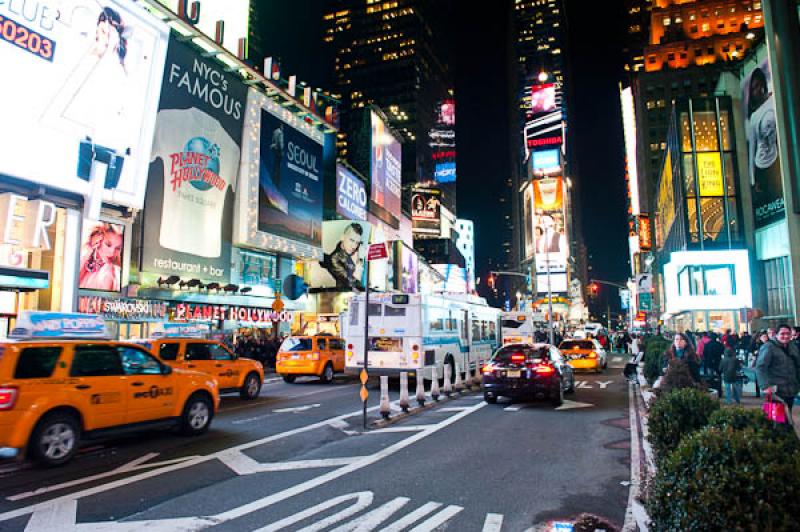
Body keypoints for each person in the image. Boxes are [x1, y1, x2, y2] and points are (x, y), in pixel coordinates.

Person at [756, 324, 800, 415]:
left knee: (788, 417)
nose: (786, 336)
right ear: (776, 334)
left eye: (788, 333)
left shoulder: (793, 346)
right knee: (775, 419)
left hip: (790, 389)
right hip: (774, 392)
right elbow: (760, 367)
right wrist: (765, 386)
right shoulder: (768, 347)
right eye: (782, 334)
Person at [79, 222, 123, 291]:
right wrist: (90, 248)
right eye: (108, 245)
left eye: (117, 248)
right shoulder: (87, 256)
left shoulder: (108, 272)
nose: (112, 252)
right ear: (99, 240)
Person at [321, 223, 365, 291]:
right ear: (342, 237)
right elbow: (352, 285)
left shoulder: (354, 250)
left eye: (357, 242)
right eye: (351, 240)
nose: (354, 246)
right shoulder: (335, 258)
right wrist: (359, 264)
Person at [719, 338, 743, 405]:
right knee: (735, 389)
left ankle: (729, 401)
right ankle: (737, 400)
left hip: (726, 375)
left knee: (727, 389)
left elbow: (720, 368)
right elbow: (739, 368)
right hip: (734, 375)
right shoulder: (735, 359)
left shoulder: (723, 360)